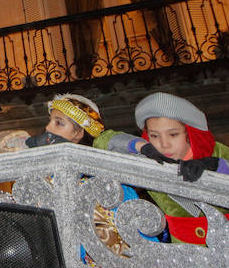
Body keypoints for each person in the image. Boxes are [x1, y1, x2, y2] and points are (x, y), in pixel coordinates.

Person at [0, 94, 152, 265]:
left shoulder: (102, 181)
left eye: (59, 123)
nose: (48, 128)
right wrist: (30, 143)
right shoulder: (43, 172)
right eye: (50, 121)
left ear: (79, 133)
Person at [94, 92, 229, 244]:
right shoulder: (150, 161)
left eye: (173, 134)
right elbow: (102, 141)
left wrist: (217, 166)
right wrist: (140, 146)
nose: (164, 145)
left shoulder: (215, 151)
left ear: (189, 132)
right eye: (154, 136)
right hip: (184, 248)